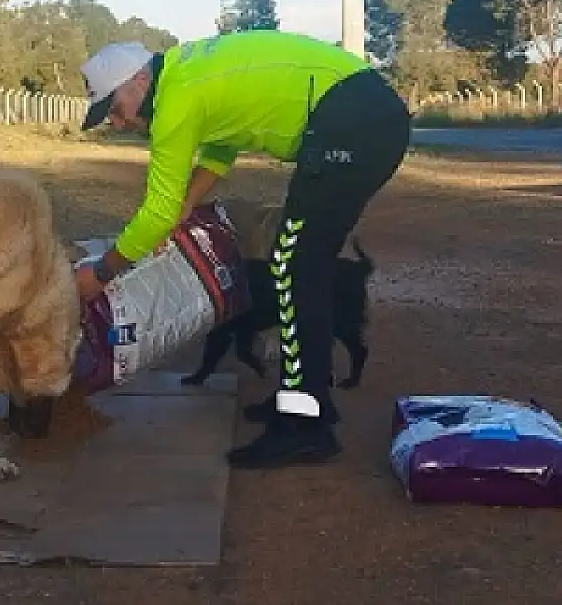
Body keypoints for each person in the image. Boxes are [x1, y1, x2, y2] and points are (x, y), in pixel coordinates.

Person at [74, 30, 412, 469]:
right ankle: (308, 399)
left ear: (138, 80)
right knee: (298, 265)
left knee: (294, 266)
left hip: (354, 121)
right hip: (360, 114)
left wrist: (101, 272)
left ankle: (306, 428)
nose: (117, 123)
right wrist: (188, 204)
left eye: (114, 109)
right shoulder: (187, 73)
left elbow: (156, 213)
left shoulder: (176, 99)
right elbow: (221, 148)